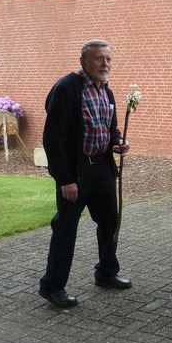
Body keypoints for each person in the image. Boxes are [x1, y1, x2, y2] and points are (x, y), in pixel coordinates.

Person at [39, 39, 131, 307]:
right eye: (99, 58)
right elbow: (52, 139)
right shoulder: (67, 88)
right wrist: (65, 179)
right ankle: (52, 287)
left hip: (102, 169)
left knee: (110, 221)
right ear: (83, 61)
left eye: (108, 59)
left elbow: (110, 128)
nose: (105, 64)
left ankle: (106, 272)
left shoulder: (106, 91)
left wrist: (117, 142)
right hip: (77, 173)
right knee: (66, 228)